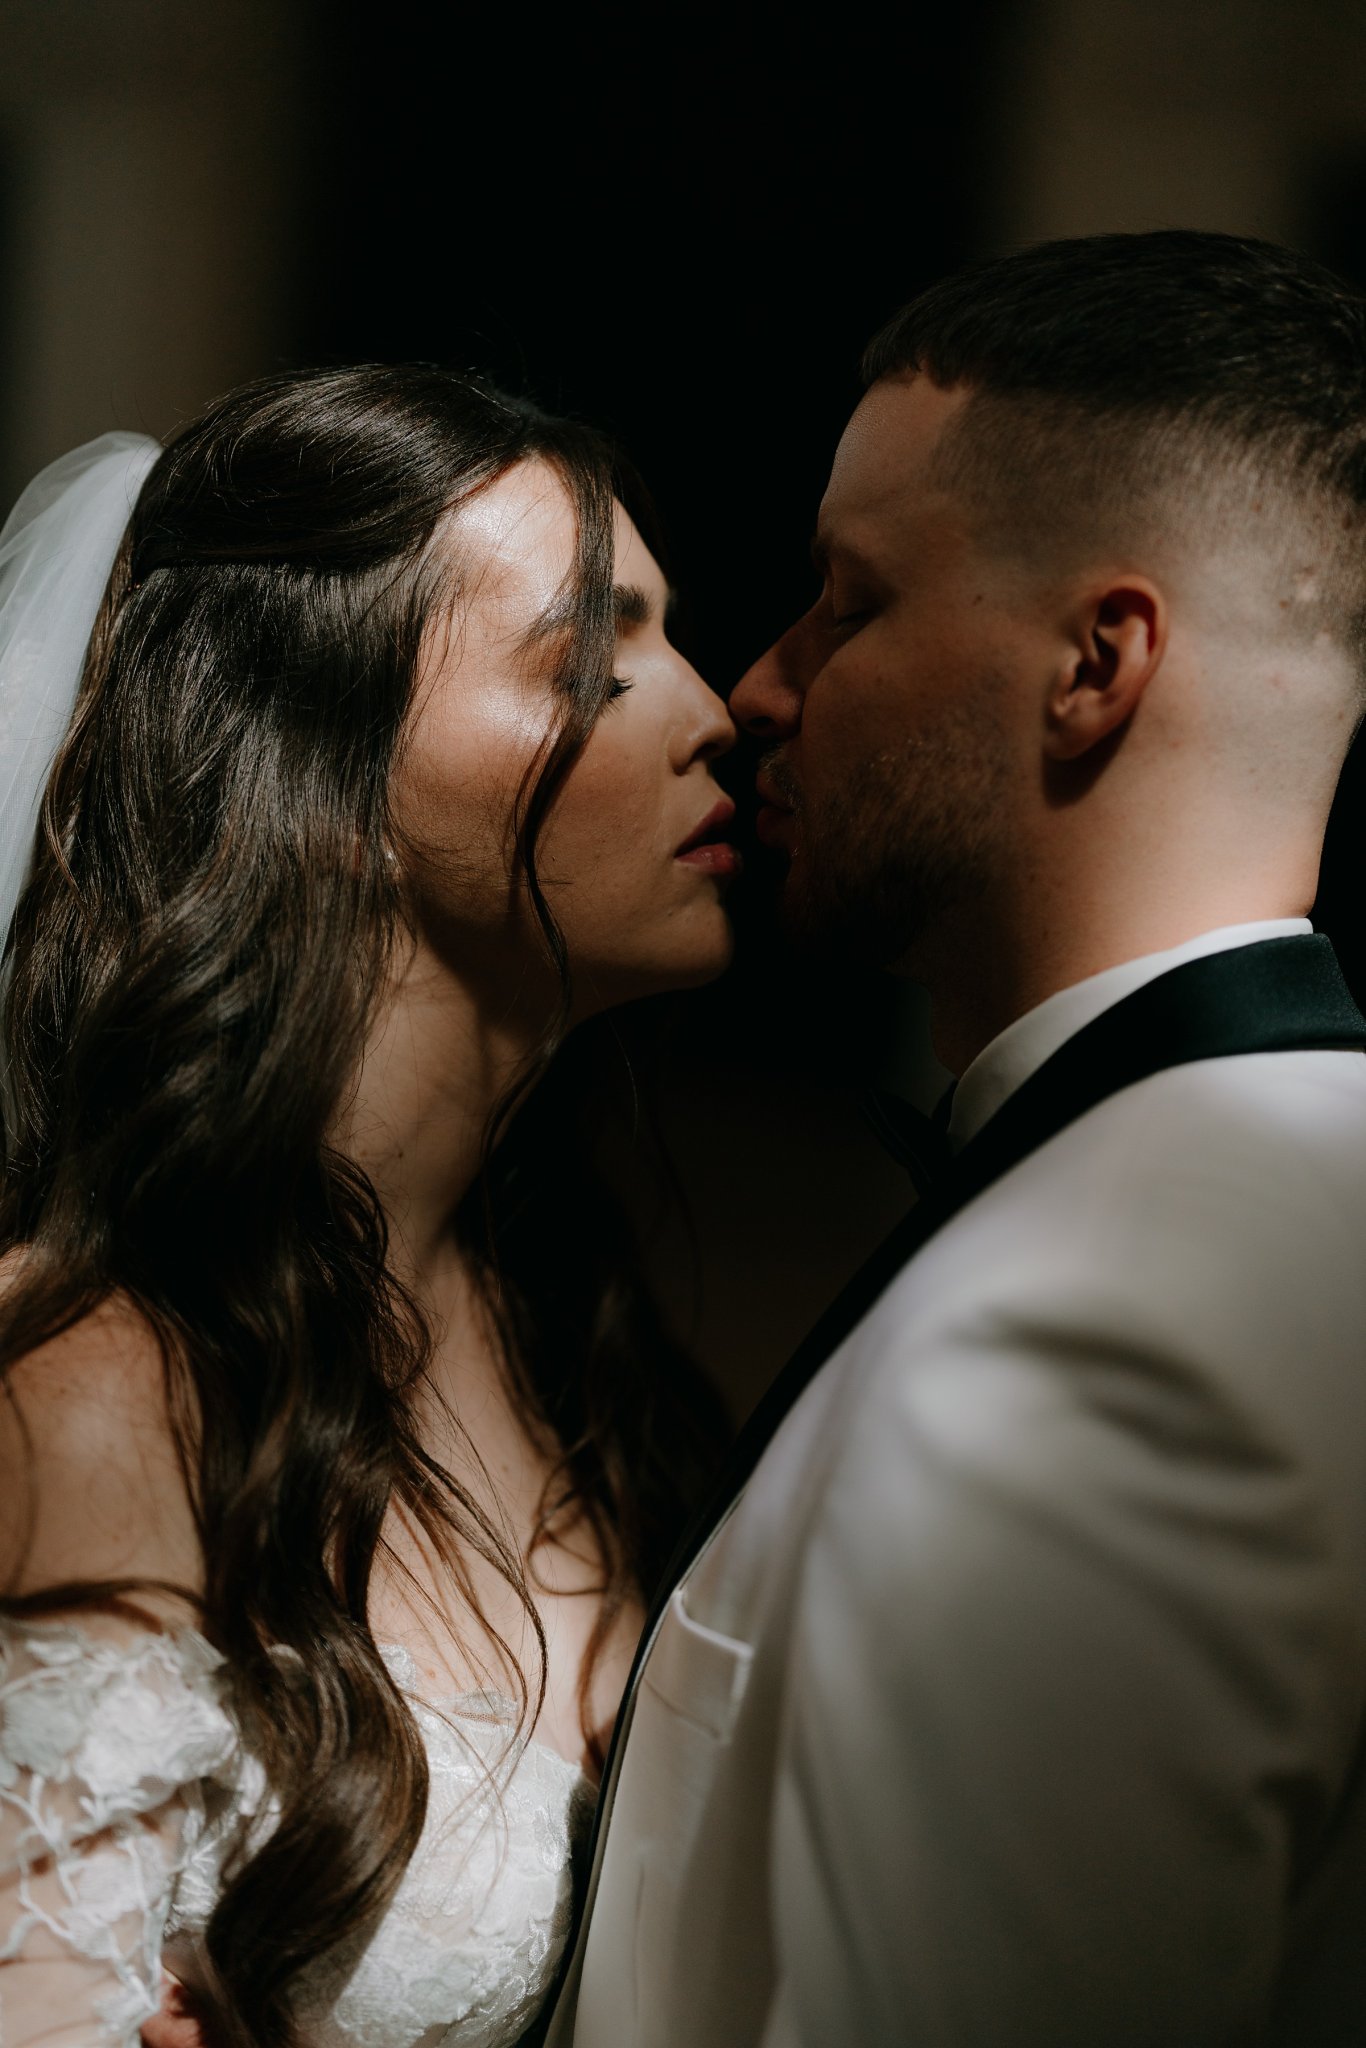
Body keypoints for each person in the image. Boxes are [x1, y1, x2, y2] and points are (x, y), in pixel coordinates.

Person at [545, 231, 1366, 2048]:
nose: (758, 688)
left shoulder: (1103, 1326)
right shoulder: (1280, 1185)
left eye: (849, 603)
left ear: (1096, 661)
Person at [0, 366, 740, 2046]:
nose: (712, 712)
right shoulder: (89, 1389)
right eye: (587, 666)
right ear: (321, 781)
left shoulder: (567, 1326)